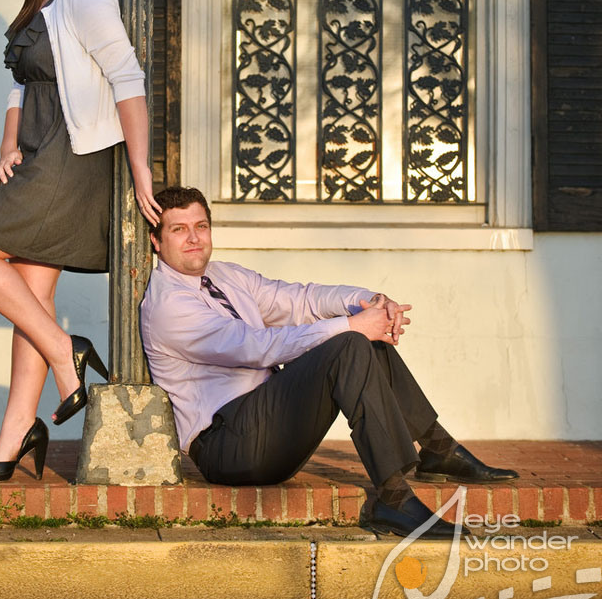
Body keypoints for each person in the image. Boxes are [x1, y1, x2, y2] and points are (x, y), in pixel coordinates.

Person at [140, 186, 518, 538]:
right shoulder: (167, 304)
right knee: (348, 343)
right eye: (179, 229)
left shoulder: (226, 276)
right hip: (228, 447)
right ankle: (394, 500)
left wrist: (369, 302)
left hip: (269, 430)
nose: (193, 238)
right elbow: (256, 346)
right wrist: (352, 326)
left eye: (201, 226)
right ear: (157, 241)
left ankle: (438, 451)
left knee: (365, 342)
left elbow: (300, 300)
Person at [0, 0, 161, 482]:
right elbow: (21, 87)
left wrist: (141, 169)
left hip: (71, 153)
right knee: (32, 298)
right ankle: (16, 435)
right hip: (36, 148)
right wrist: (8, 145)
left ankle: (68, 353)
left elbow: (128, 79)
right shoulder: (41, 0)